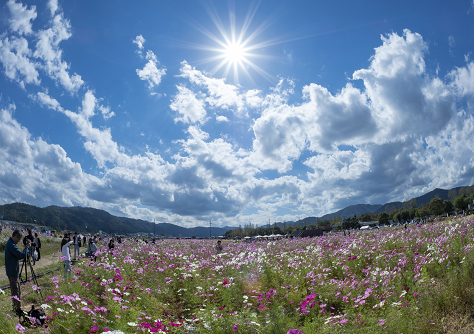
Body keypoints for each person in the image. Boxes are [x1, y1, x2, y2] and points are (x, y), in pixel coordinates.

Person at [5, 229, 30, 316]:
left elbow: (18, 256)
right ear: (15, 236)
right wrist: (27, 248)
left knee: (17, 290)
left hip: (13, 271)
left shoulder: (11, 243)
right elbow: (22, 255)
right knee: (16, 291)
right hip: (12, 272)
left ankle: (18, 309)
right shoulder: (11, 245)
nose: (19, 241)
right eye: (19, 239)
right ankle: (16, 311)